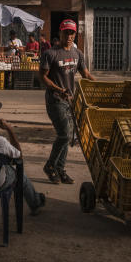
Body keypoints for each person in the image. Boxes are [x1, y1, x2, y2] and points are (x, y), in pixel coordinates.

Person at [39, 19, 95, 184]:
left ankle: (60, 169)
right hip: (55, 100)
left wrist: (99, 83)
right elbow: (42, 77)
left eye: (72, 33)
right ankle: (50, 166)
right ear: (60, 33)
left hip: (71, 101)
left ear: (75, 34)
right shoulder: (50, 53)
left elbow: (85, 74)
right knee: (63, 134)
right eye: (66, 32)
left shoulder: (77, 54)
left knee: (68, 136)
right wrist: (57, 89)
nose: (69, 36)